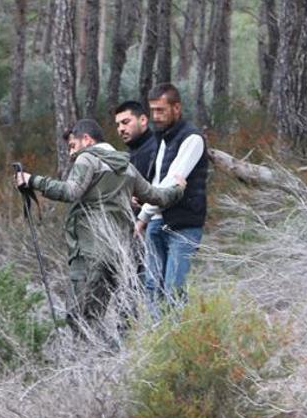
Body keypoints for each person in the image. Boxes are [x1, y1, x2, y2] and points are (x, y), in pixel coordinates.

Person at [15, 118, 185, 335]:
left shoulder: (87, 159)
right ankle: (114, 359)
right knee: (106, 316)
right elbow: (156, 196)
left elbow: (70, 192)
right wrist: (178, 188)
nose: (70, 153)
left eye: (72, 146)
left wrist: (32, 180)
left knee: (79, 319)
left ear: (86, 139)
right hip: (120, 255)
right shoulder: (128, 168)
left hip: (90, 254)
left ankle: (88, 364)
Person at [135, 83, 208, 312]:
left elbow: (170, 184)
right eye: (153, 110)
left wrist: (143, 214)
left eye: (161, 110)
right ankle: (155, 339)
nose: (155, 116)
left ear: (176, 108)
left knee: (173, 289)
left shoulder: (192, 139)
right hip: (157, 222)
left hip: (182, 225)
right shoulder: (162, 138)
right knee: (152, 286)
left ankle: (175, 341)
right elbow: (156, 180)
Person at [114, 100, 157, 181]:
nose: (121, 129)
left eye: (125, 122)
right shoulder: (126, 156)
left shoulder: (158, 149)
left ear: (143, 120)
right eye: (118, 125)